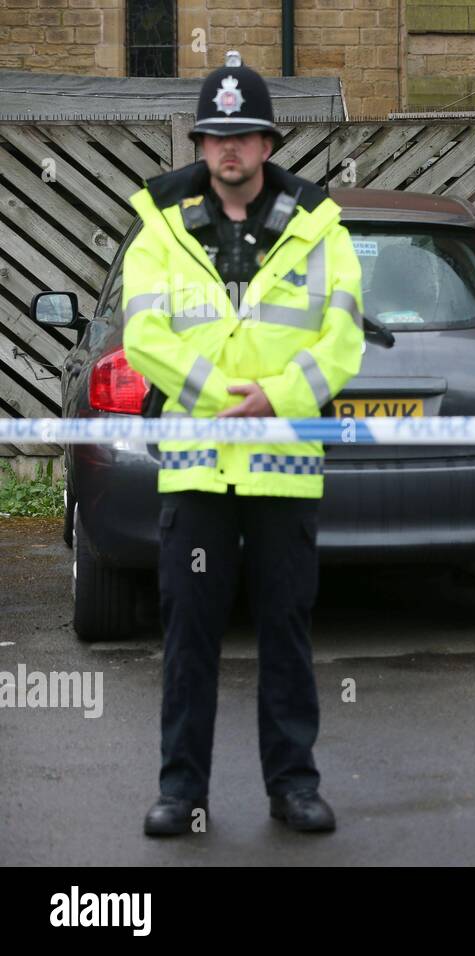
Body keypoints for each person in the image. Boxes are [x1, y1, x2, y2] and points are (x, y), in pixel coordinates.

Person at [121, 51, 365, 836]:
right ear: (199, 145)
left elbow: (345, 337)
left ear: (267, 143)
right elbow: (143, 334)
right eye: (216, 136)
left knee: (286, 636)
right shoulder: (160, 228)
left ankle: (293, 787)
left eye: (245, 136)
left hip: (282, 466)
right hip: (194, 466)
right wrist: (208, 395)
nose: (230, 149)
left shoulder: (318, 227)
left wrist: (278, 398)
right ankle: (180, 791)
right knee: (189, 636)